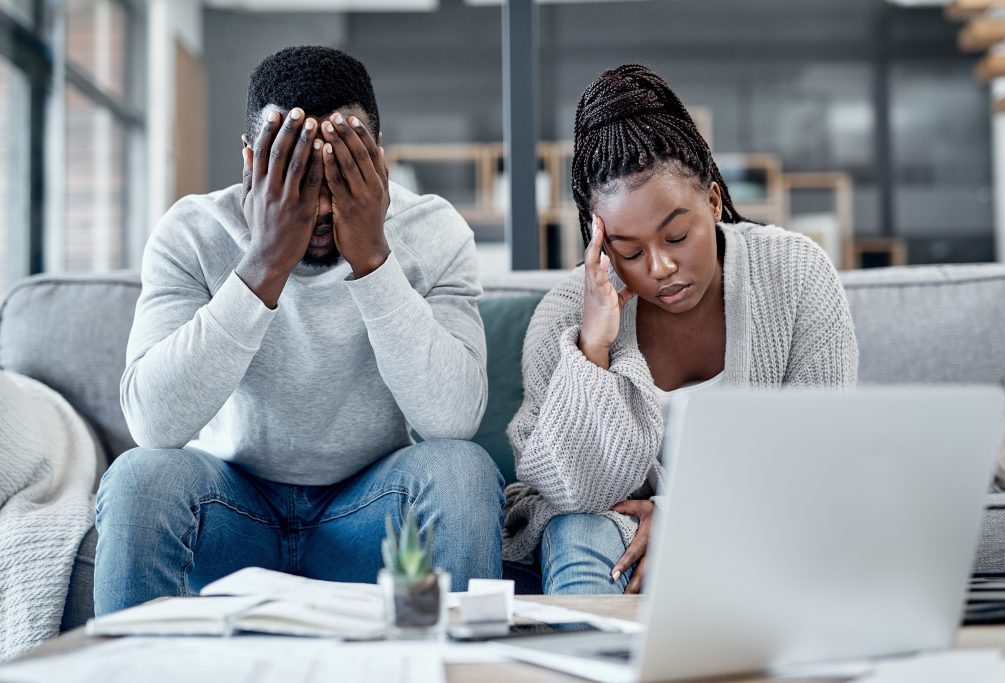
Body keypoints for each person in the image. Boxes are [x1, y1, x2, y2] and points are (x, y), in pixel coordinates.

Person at [94, 46, 503, 615]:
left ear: (376, 161)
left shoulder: (432, 231)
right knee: (141, 478)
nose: (319, 207)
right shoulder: (191, 232)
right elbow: (153, 423)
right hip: (232, 510)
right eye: (291, 173)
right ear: (248, 159)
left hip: (369, 513)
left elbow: (452, 420)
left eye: (339, 172)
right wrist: (264, 261)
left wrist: (374, 261)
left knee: (461, 472)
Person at [502, 64, 858, 596]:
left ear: (713, 202)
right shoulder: (566, 316)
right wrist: (593, 351)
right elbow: (573, 491)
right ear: (600, 244)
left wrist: (683, 518)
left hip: (762, 526)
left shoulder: (794, 271)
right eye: (629, 251)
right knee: (575, 529)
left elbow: (821, 454)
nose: (660, 267)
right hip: (622, 540)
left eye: (676, 236)